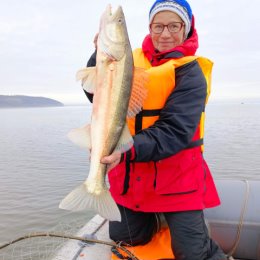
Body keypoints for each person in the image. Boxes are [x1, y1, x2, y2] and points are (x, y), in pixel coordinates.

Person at [85, 0, 227, 259]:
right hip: (132, 177)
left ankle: (180, 225)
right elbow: (97, 95)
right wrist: (98, 56)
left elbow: (175, 131)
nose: (165, 34)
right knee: (127, 238)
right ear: (149, 27)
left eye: (174, 26)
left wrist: (122, 149)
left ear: (187, 27)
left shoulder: (191, 72)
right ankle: (155, 219)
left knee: (193, 252)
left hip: (178, 179)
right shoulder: (128, 59)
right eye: (158, 26)